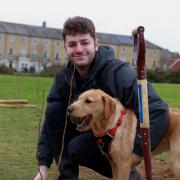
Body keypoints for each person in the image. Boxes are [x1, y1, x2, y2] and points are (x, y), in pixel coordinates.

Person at [34, 16, 169, 180]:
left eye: (84, 43)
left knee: (79, 146)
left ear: (96, 44)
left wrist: (136, 152)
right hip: (92, 130)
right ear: (65, 47)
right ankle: (67, 176)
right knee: (55, 110)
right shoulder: (64, 78)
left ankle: (128, 175)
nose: (79, 49)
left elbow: (157, 110)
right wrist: (43, 165)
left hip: (119, 136)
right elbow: (51, 120)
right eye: (72, 44)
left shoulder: (120, 74)